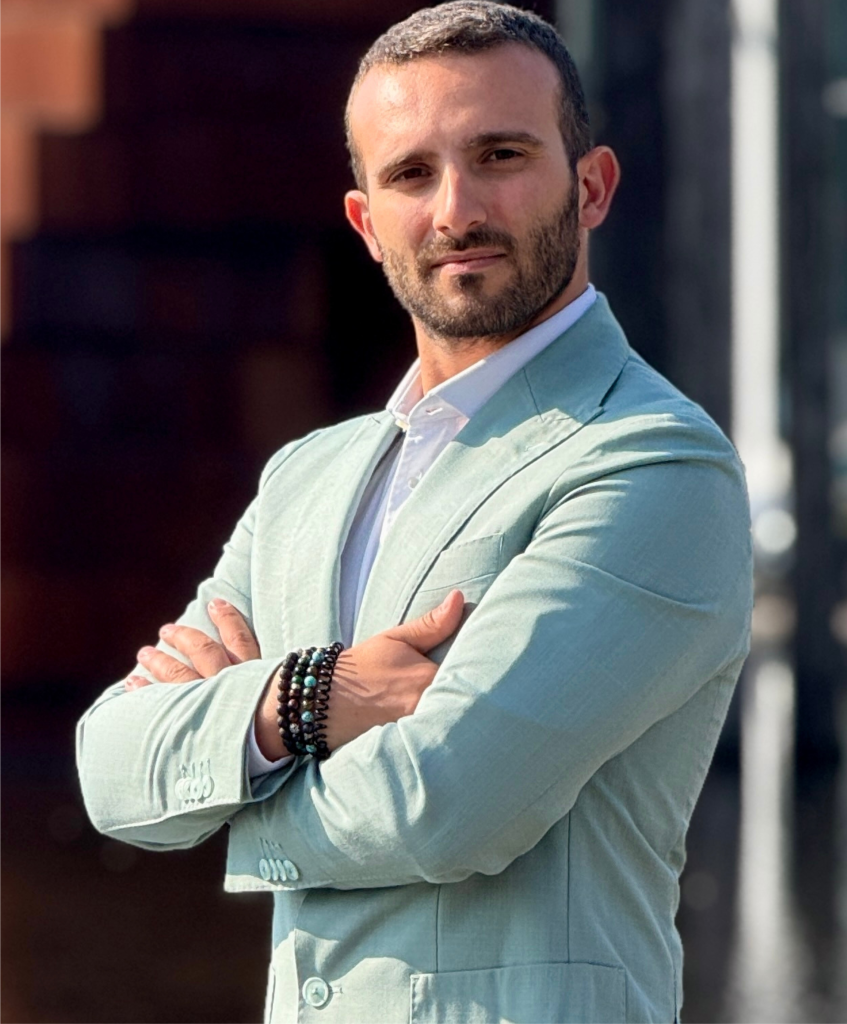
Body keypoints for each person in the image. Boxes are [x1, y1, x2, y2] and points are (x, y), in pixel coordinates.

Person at [76, 3, 752, 1022]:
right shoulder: (307, 477)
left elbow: (443, 804)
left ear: (592, 186)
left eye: (499, 156)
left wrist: (221, 779)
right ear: (364, 222)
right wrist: (306, 698)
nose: (455, 210)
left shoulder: (653, 463)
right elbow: (108, 766)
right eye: (410, 174)